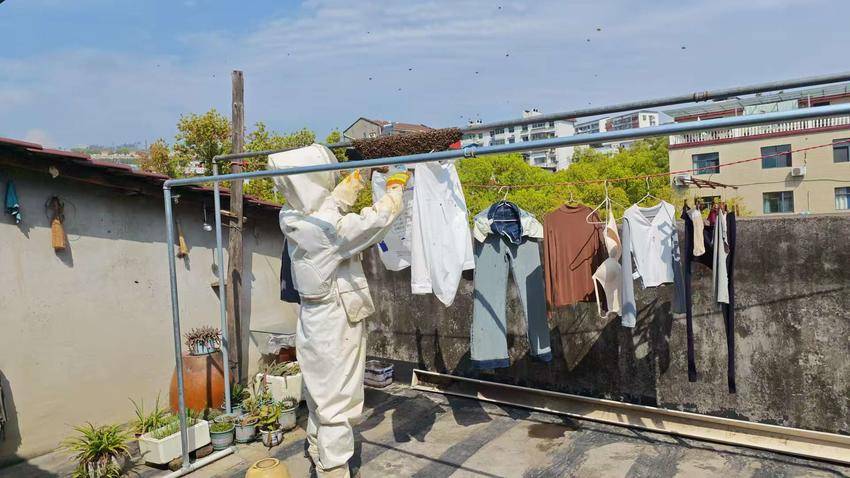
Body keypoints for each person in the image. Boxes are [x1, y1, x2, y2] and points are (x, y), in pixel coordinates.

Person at [268, 144, 410, 478]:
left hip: (314, 320)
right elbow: (374, 222)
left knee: (320, 397)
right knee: (339, 401)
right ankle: (334, 469)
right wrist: (394, 190)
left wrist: (357, 179)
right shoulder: (327, 232)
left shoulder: (292, 215)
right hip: (334, 323)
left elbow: (329, 206)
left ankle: (318, 452)